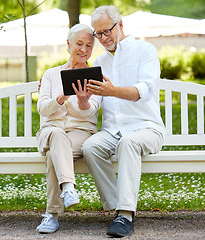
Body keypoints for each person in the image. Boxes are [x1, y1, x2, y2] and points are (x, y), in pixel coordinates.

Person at [82, 5, 166, 238]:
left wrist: (112, 90)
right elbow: (96, 104)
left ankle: (126, 214)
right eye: (98, 34)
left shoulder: (145, 50)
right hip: (112, 131)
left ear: (120, 25)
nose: (103, 38)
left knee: (128, 142)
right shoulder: (99, 60)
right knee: (90, 147)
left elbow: (144, 91)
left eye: (107, 31)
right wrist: (82, 100)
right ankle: (117, 205)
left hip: (147, 128)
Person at [36, 23, 101, 234]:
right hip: (50, 131)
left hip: (80, 134)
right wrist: (62, 96)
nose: (84, 50)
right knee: (56, 136)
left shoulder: (95, 76)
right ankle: (69, 188)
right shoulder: (51, 74)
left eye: (89, 46)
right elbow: (43, 109)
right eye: (79, 44)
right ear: (68, 44)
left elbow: (91, 112)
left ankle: (51, 215)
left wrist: (83, 102)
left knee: (54, 154)